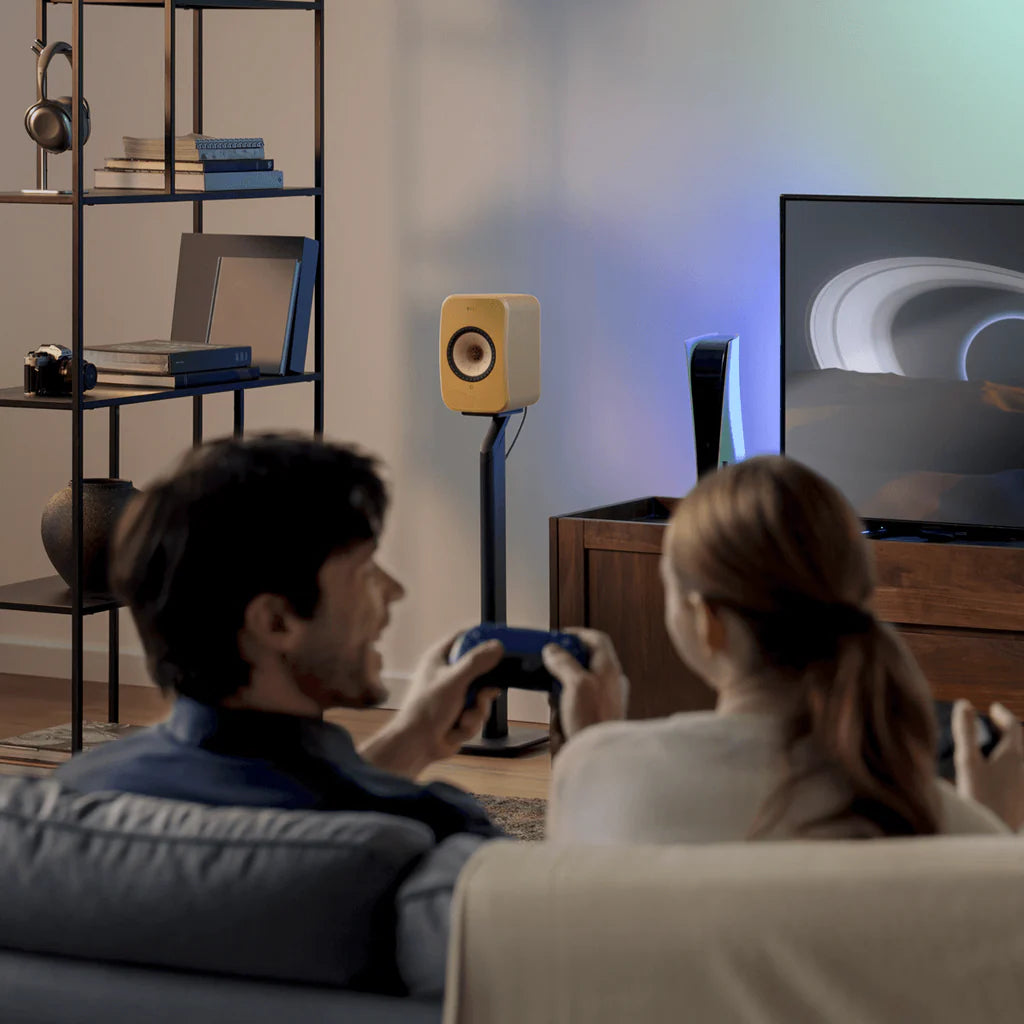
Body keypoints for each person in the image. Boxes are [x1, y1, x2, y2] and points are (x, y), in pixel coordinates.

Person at [52, 433, 618, 997]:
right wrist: (595, 759)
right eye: (367, 570)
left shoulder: (72, 804)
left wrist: (414, 740)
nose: (393, 592)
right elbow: (597, 949)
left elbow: (283, 816)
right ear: (276, 623)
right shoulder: (430, 836)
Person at [541, 455, 1007, 843]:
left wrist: (592, 746)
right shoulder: (940, 820)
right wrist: (998, 826)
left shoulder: (601, 778)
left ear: (708, 623)